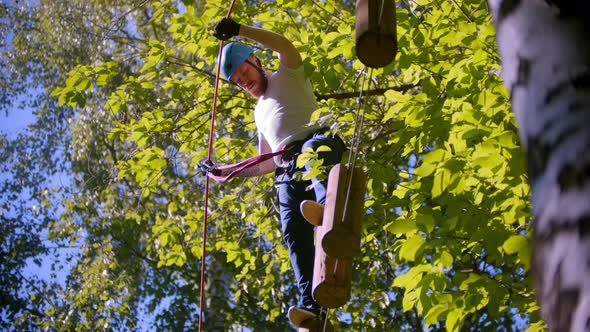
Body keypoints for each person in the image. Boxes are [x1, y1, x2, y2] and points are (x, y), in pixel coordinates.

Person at [199, 17, 346, 328]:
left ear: (256, 60)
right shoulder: (258, 112)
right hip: (288, 169)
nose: (244, 81)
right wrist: (222, 171)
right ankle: (313, 306)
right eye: (238, 81)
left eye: (245, 71)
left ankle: (329, 212)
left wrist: (240, 30)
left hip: (317, 143)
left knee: (308, 156)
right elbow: (265, 161)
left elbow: (283, 44)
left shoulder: (288, 73)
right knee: (292, 230)